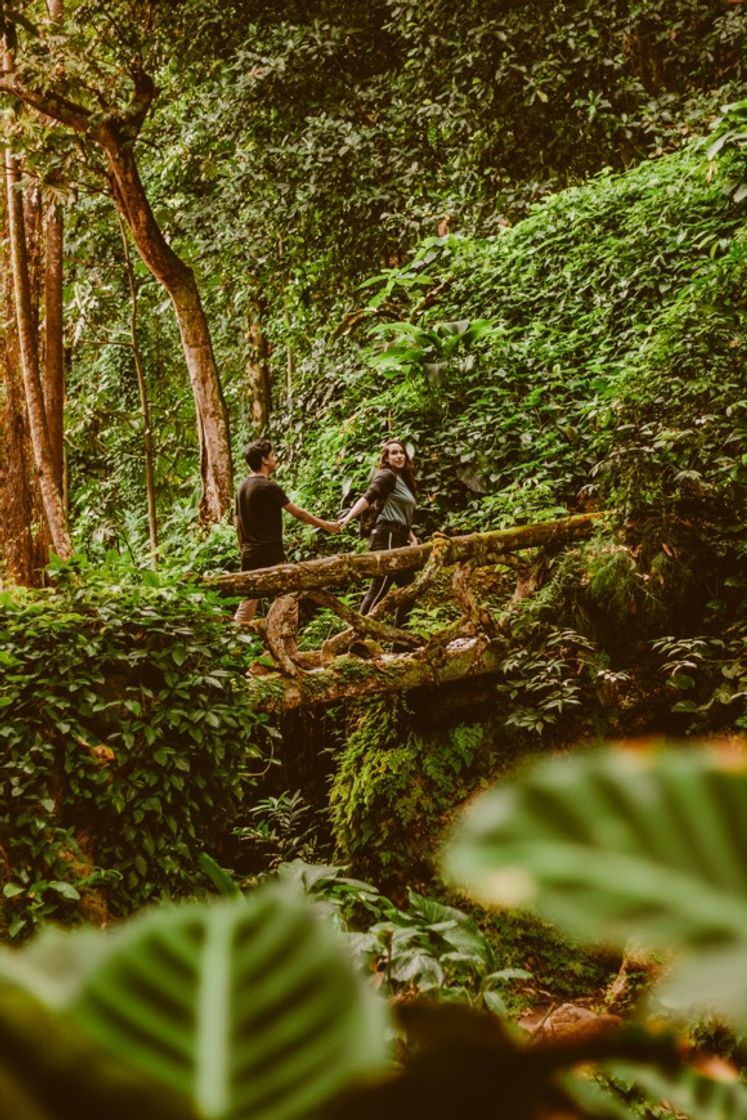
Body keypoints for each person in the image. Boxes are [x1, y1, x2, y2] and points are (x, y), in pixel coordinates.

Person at [234, 438, 339, 624]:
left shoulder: (242, 487)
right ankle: (289, 650)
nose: (275, 458)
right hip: (271, 554)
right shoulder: (268, 486)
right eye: (272, 455)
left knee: (247, 603)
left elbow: (238, 523)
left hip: (250, 553)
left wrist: (244, 548)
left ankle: (232, 644)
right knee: (289, 601)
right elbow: (298, 513)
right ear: (265, 460)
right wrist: (326, 525)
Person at [338, 438, 418, 624]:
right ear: (386, 458)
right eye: (394, 453)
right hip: (386, 537)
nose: (399, 456)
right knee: (379, 589)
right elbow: (368, 497)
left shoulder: (402, 480)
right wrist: (349, 517)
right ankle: (357, 639)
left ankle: (401, 643)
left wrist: (412, 538)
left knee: (410, 589)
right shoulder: (387, 476)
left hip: (398, 536)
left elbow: (400, 515)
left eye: (401, 452)